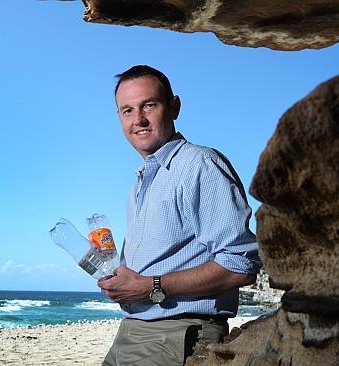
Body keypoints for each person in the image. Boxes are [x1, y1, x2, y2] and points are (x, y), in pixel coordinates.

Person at [98, 65, 261, 366]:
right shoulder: (139, 184)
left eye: (149, 105)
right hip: (131, 333)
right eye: (127, 111)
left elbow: (241, 265)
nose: (139, 120)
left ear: (174, 107)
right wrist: (116, 278)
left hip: (177, 336)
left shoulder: (200, 165)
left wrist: (151, 286)